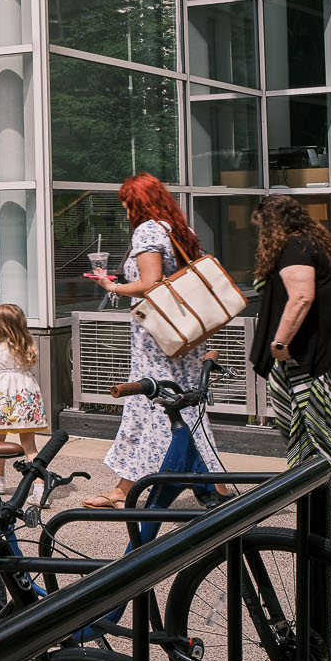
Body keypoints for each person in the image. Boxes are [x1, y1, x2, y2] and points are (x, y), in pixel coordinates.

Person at [82, 174, 223, 508]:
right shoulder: (182, 232)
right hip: (184, 335)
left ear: (136, 203)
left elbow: (151, 283)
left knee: (159, 406)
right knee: (177, 408)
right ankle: (126, 488)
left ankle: (213, 489)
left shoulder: (147, 230)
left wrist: (112, 286)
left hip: (157, 340)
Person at [251, 192, 331, 508]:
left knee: (311, 412)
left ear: (274, 224)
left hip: (308, 344)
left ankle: (327, 483)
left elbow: (301, 297)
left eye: (262, 226)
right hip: (321, 338)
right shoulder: (310, 240)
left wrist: (280, 342)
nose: (260, 233)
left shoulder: (294, 246)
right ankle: (311, 478)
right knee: (309, 410)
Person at [0, 301, 49, 484]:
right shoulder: (26, 346)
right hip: (25, 402)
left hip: (2, 404)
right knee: (30, 447)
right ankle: (40, 487)